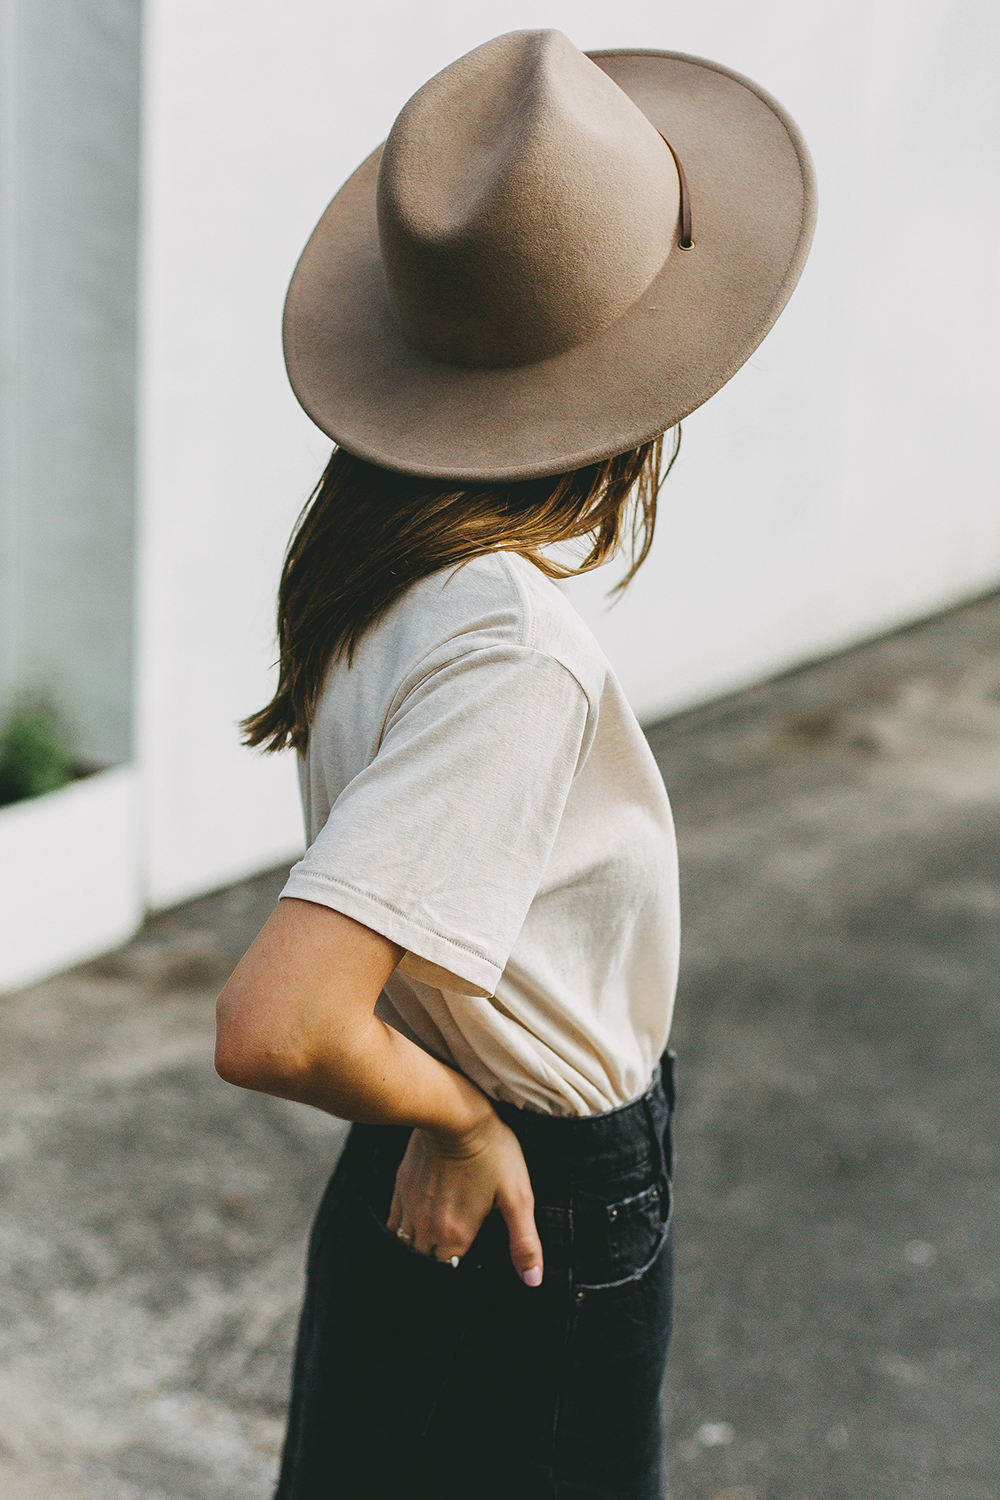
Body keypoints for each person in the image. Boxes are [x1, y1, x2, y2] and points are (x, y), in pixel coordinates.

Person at [214, 29, 815, 1500]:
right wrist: (473, 1117)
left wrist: (436, 1112)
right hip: (518, 1169)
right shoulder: (514, 649)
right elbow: (277, 1021)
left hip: (423, 1144)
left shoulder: (382, 564)